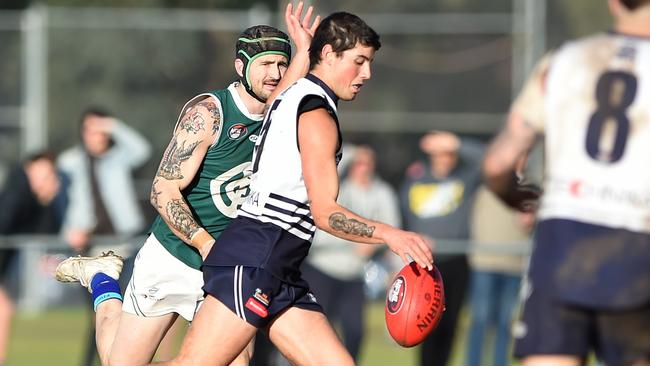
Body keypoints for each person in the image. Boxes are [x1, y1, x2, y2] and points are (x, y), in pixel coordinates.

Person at [147, 11, 433, 366]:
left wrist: (301, 51)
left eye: (370, 63)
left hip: (278, 266)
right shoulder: (317, 116)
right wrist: (391, 235)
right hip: (255, 258)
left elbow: (279, 95)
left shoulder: (292, 92)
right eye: (358, 61)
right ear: (328, 55)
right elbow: (325, 213)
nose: (366, 74)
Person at [54, 3, 320, 366]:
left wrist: (304, 49)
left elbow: (296, 82)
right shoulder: (209, 113)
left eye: (281, 65)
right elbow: (162, 191)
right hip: (173, 256)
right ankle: (102, 278)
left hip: (227, 268)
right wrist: (205, 243)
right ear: (240, 68)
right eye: (265, 65)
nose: (274, 74)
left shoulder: (281, 110)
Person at [482, 1, 650, 365]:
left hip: (562, 241)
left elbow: (498, 163)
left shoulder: (565, 60)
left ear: (613, 3)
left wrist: (522, 199)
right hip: (638, 245)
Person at [301, 145, 401, 360]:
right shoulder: (338, 186)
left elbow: (393, 230)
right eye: (359, 163)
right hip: (321, 268)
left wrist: (374, 243)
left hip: (355, 274)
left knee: (355, 331)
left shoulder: (382, 192)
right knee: (313, 333)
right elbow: (330, 164)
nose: (363, 168)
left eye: (368, 163)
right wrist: (354, 153)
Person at [399, 130, 483, 366]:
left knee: (450, 324)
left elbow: (488, 160)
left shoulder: (464, 178)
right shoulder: (415, 178)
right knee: (422, 322)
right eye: (440, 154)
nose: (445, 159)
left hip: (456, 260)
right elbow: (403, 214)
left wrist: (457, 142)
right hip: (423, 262)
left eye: (450, 154)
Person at [0, 151, 68, 366]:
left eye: (50, 173)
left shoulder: (29, 196)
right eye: (42, 172)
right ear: (29, 167)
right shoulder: (17, 187)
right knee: (4, 309)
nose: (46, 179)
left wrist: (46, 201)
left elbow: (44, 233)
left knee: (4, 309)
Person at [58, 107, 152, 254]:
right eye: (92, 130)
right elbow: (63, 201)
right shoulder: (70, 162)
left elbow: (142, 150)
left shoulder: (119, 158)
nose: (98, 136)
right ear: (83, 133)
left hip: (124, 239)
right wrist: (71, 228)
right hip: (87, 242)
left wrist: (113, 125)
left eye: (102, 131)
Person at [466, 185, 534, 366]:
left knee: (505, 323)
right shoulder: (485, 187)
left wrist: (532, 218)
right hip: (484, 263)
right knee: (480, 321)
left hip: (514, 264)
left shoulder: (529, 190)